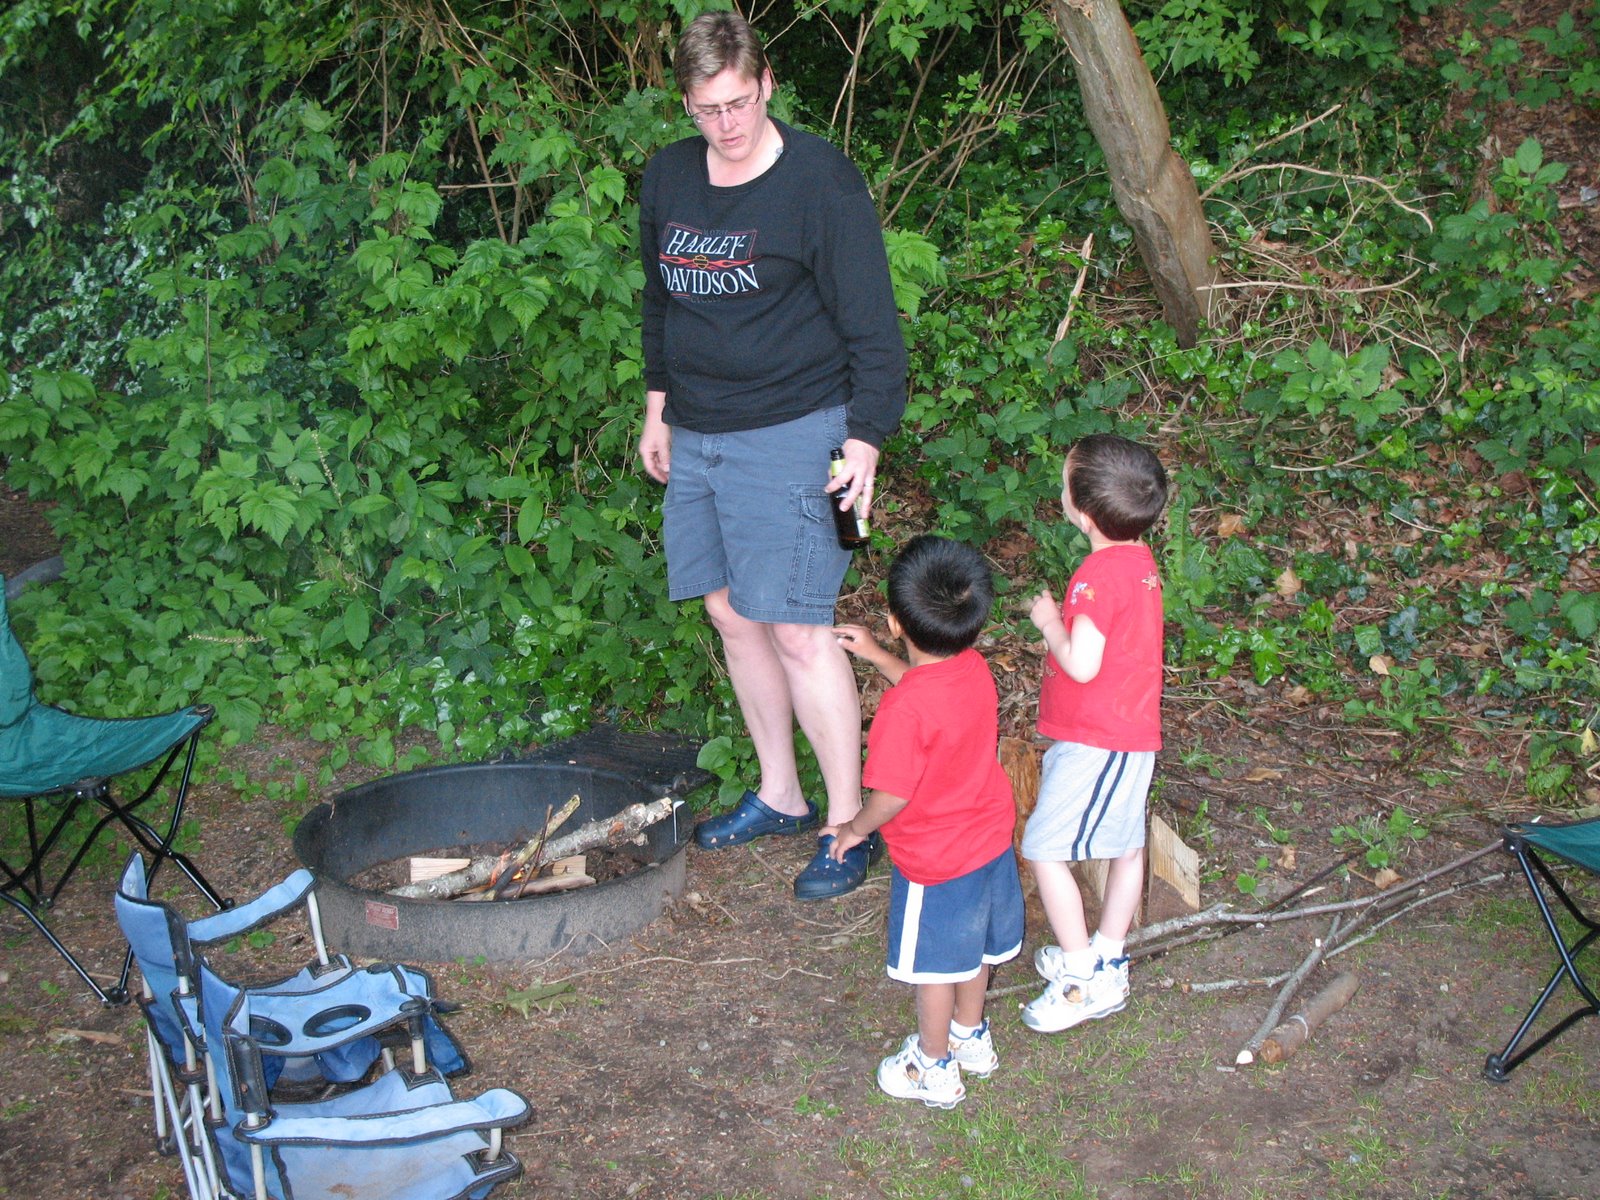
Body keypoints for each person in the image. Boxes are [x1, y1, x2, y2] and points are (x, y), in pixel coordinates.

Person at [637, 12, 907, 900]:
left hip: (798, 429)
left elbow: (875, 327)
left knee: (797, 624)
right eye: (707, 109)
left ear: (767, 85)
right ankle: (780, 794)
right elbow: (660, 304)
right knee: (728, 610)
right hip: (698, 430)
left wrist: (864, 440)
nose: (727, 124)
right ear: (686, 103)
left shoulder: (820, 181)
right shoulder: (670, 175)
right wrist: (658, 409)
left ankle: (848, 824)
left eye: (740, 103)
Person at [830, 535, 1022, 1108]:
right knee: (973, 950)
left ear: (896, 622)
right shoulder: (974, 670)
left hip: (935, 861)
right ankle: (969, 1035)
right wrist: (876, 656)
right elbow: (929, 694)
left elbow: (891, 794)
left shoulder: (902, 712)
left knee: (935, 967)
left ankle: (932, 1065)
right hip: (988, 840)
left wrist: (855, 829)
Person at [1020, 433, 1168, 1033]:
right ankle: (1108, 956)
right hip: (1130, 732)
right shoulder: (1141, 563)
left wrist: (1049, 622)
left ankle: (1082, 978)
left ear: (1082, 513)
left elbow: (1081, 664)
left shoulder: (1095, 575)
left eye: (1064, 483)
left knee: (1043, 849)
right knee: (1126, 848)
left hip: (1098, 741)